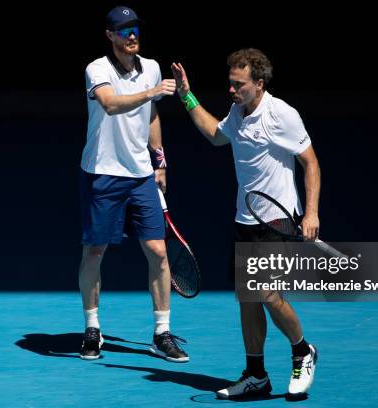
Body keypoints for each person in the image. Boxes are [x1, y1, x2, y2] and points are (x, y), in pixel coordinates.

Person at [171, 49, 320, 397]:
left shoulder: (282, 114)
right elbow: (215, 134)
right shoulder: (237, 113)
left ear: (259, 83)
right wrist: (186, 95)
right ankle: (256, 375)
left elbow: (310, 163)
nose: (232, 90)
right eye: (230, 84)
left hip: (277, 219)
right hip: (244, 219)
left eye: (239, 85)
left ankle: (303, 350)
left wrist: (311, 212)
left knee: (266, 292)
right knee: (248, 299)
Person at [78, 5, 188, 363]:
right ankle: (93, 328)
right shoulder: (97, 68)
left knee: (157, 251)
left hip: (141, 175)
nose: (132, 36)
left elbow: (152, 114)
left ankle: (162, 332)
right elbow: (110, 104)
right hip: (103, 173)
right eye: (124, 30)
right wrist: (152, 91)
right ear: (110, 35)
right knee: (95, 252)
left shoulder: (152, 67)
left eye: (135, 29)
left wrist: (160, 162)